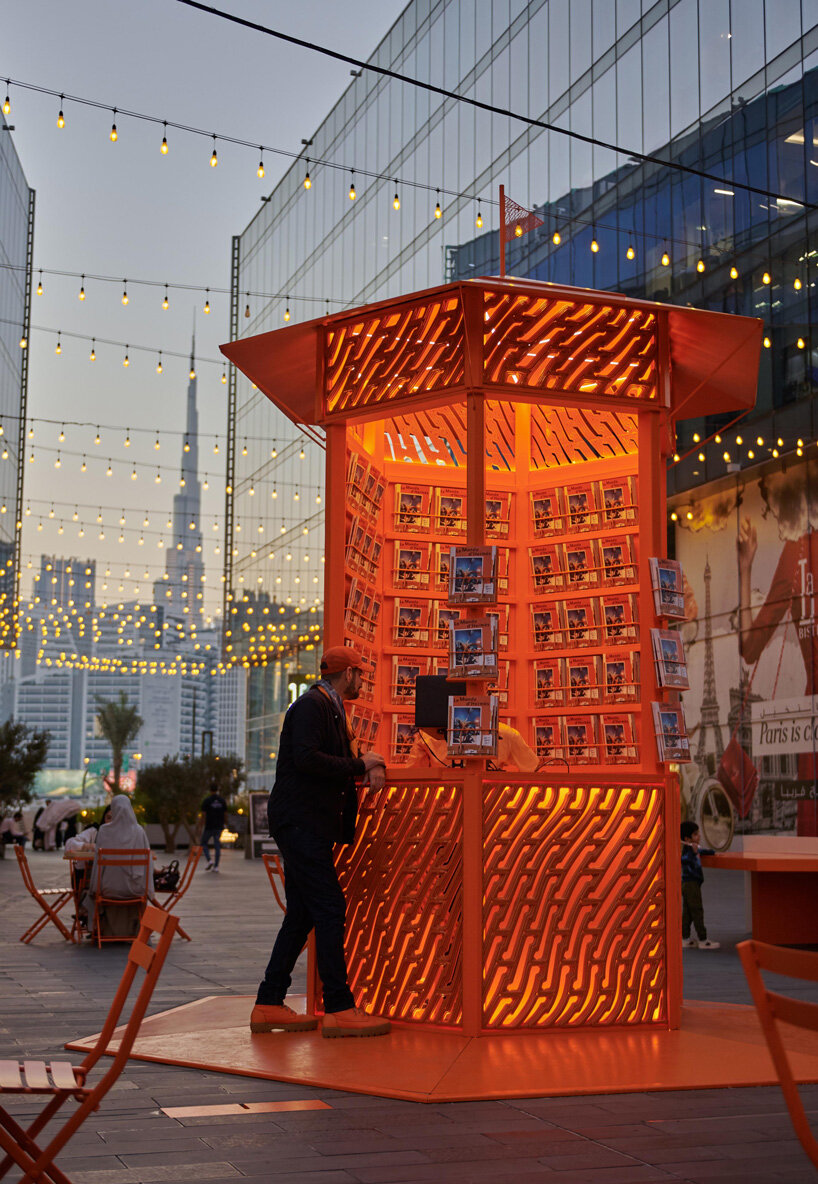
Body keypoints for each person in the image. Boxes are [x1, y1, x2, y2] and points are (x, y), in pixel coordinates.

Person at [251, 645, 390, 1038]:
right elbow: (307, 759)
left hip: (303, 822)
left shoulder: (327, 707)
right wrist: (362, 765)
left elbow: (330, 758)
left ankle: (268, 1002)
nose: (362, 681)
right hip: (301, 822)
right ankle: (340, 1007)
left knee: (302, 913)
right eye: (360, 674)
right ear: (348, 674)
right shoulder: (313, 706)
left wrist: (368, 763)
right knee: (330, 907)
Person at [82, 795, 154, 937]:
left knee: (86, 890)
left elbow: (97, 862)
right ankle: (134, 931)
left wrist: (94, 887)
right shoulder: (139, 831)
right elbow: (148, 862)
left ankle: (101, 929)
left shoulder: (104, 830)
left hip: (108, 889)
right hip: (135, 890)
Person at [681, 820, 719, 949]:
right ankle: (703, 939)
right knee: (697, 910)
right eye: (696, 834)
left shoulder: (695, 849)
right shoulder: (688, 851)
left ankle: (684, 937)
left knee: (688, 912)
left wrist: (712, 852)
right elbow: (684, 860)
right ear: (687, 838)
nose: (699, 836)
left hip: (692, 883)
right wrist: (693, 852)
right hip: (690, 884)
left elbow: (705, 851)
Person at [199, 780, 228, 872]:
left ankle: (209, 860)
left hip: (209, 826)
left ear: (210, 790)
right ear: (217, 790)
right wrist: (225, 824)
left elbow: (203, 814)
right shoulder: (222, 800)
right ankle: (216, 866)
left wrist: (201, 825)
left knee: (203, 843)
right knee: (217, 846)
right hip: (219, 826)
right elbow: (225, 814)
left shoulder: (207, 801)